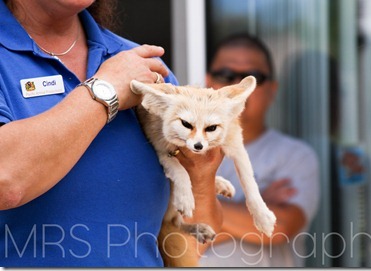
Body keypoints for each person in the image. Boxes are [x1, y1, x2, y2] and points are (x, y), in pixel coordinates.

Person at [0, 0, 223, 267]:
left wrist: (201, 175)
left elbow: (192, 237)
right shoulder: (122, 72)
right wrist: (105, 90)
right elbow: (6, 180)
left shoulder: (137, 62)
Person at [199, 33, 320, 267]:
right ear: (208, 82)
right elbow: (176, 241)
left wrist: (202, 211)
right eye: (226, 75)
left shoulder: (295, 155)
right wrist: (256, 205)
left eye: (251, 78)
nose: (237, 86)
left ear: (272, 90)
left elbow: (280, 227)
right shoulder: (184, 153)